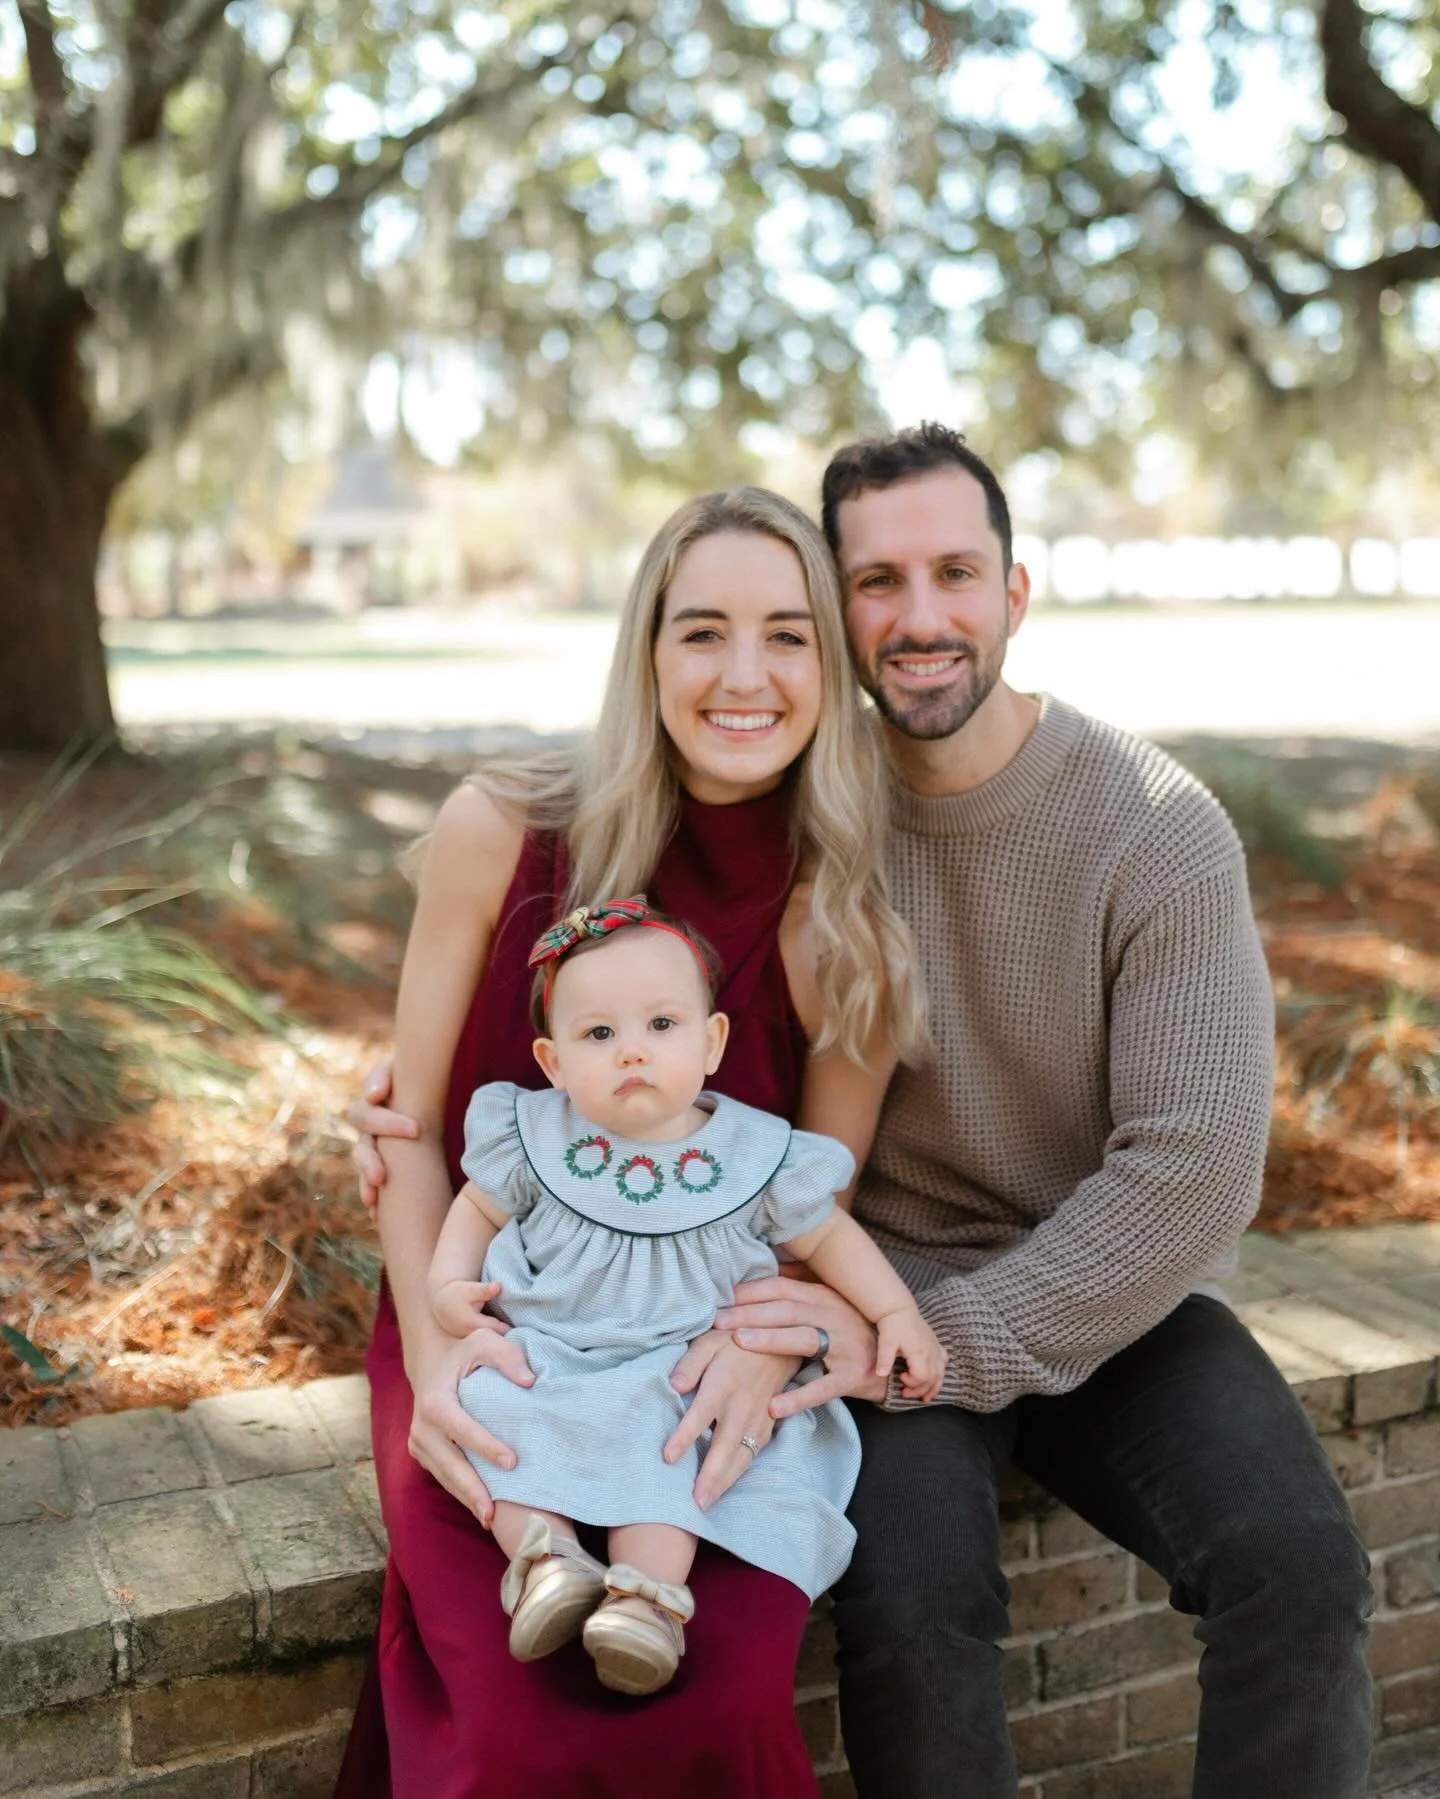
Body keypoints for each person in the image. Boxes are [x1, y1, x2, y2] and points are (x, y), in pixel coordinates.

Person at [352, 426, 1376, 1798]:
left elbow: (1191, 1174)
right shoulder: (805, 805)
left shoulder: (1150, 824)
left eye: (957, 572)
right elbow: (522, 1062)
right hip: (846, 1296)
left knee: (1299, 1561)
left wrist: (912, 1331)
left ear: (1016, 591)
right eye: (879, 582)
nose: (921, 616)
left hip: (1054, 1300)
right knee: (913, 1607)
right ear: (844, 620)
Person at [334, 484, 928, 1798]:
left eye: (788, 635)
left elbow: (811, 1221)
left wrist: (763, 1344)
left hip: (701, 1368)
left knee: (715, 1699)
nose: (744, 676)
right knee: (514, 1728)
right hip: (499, 1329)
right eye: (702, 629)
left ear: (830, 665)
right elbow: (408, 1130)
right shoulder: (502, 829)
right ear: (645, 649)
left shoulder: (844, 927)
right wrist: (444, 1363)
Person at [430, 901, 944, 1697]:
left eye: (661, 1024)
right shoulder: (533, 1133)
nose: (631, 1049)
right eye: (598, 1034)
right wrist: (448, 1288)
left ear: (710, 1044)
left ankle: (646, 1600)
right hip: (551, 1348)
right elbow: (475, 1208)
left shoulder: (756, 1156)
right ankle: (544, 1558)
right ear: (554, 1060)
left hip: (677, 1362)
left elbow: (830, 1240)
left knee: (672, 1442)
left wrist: (896, 1312)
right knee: (493, 1404)